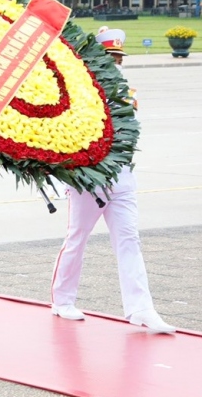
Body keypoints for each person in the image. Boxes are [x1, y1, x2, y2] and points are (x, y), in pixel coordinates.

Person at [50, 27, 175, 333]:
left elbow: (129, 136)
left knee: (130, 239)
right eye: (109, 58)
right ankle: (62, 300)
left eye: (118, 58)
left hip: (122, 176)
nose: (115, 64)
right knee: (77, 238)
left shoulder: (129, 93)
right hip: (89, 178)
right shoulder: (77, 93)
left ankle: (141, 309)